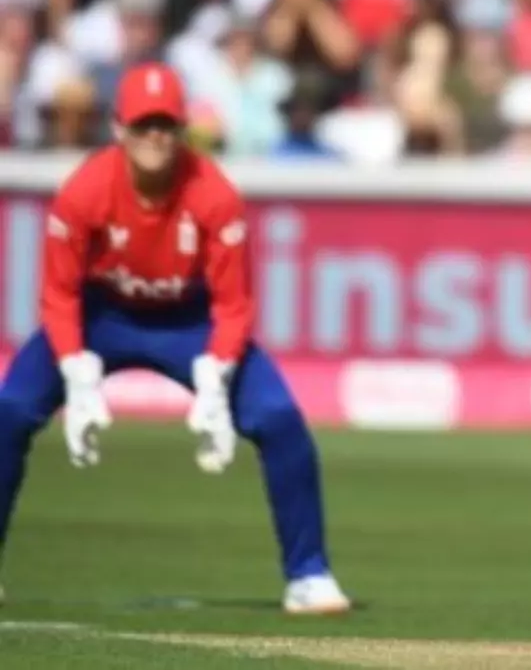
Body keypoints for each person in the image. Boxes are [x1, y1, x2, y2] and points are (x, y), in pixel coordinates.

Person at [0, 63, 350, 614]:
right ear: (119, 128)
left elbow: (234, 303)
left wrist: (216, 375)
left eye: (165, 125)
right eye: (144, 125)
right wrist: (74, 370)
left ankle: (309, 575)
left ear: (182, 129)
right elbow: (59, 295)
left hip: (190, 321)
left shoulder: (213, 194)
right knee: (12, 410)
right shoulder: (85, 190)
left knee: (280, 420)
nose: (155, 137)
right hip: (101, 314)